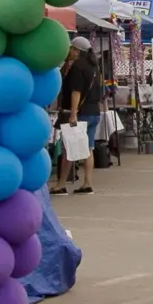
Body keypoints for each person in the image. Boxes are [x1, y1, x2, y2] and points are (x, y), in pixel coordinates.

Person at [51, 36, 101, 195]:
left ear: (77, 51)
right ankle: (87, 183)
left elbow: (76, 92)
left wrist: (73, 114)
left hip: (81, 113)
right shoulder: (94, 67)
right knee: (88, 148)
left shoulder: (78, 67)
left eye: (71, 48)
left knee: (69, 150)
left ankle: (60, 185)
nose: (69, 51)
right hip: (94, 112)